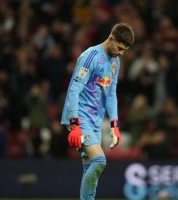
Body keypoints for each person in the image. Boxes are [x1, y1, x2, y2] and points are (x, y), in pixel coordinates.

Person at [61, 23, 134, 200]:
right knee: (100, 161)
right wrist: (74, 124)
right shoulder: (90, 56)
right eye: (119, 47)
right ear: (110, 38)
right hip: (80, 118)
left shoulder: (115, 62)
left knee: (90, 168)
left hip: (95, 121)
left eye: (124, 50)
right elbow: (73, 90)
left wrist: (114, 125)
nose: (121, 53)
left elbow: (111, 93)